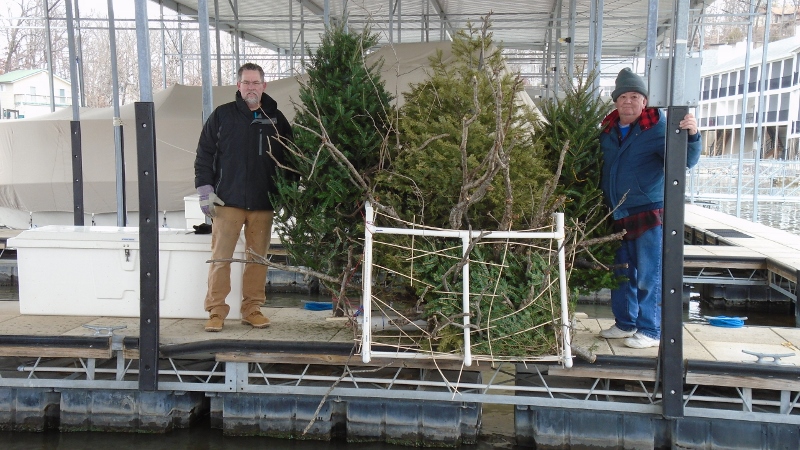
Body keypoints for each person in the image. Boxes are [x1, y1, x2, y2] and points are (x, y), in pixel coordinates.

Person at [598, 68, 701, 349]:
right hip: (615, 213)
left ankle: (651, 330)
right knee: (620, 272)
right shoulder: (607, 131)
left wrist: (691, 136)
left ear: (645, 101)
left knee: (648, 274)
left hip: (648, 212)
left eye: (635, 96)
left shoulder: (657, 129)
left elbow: (685, 161)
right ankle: (625, 323)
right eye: (623, 97)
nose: (628, 101)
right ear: (616, 101)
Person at [194, 62, 294, 332]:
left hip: (263, 202)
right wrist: (205, 191)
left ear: (264, 86)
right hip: (227, 201)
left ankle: (252, 309)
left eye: (256, 83)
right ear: (238, 86)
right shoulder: (222, 116)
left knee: (258, 259)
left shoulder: (276, 118)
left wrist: (288, 193)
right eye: (246, 83)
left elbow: (291, 158)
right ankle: (216, 311)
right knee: (221, 258)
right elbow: (204, 154)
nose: (251, 87)